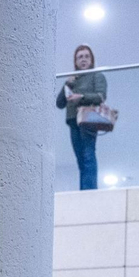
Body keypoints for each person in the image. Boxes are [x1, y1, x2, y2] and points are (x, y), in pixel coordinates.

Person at [56, 45, 107, 191]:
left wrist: (82, 97)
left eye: (86, 56)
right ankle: (84, 190)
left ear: (91, 60)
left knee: (88, 154)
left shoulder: (97, 76)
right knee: (80, 157)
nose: (83, 59)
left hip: (88, 119)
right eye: (80, 57)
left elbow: (101, 96)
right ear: (75, 61)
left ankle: (89, 190)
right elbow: (59, 103)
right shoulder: (73, 80)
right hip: (74, 121)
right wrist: (67, 83)